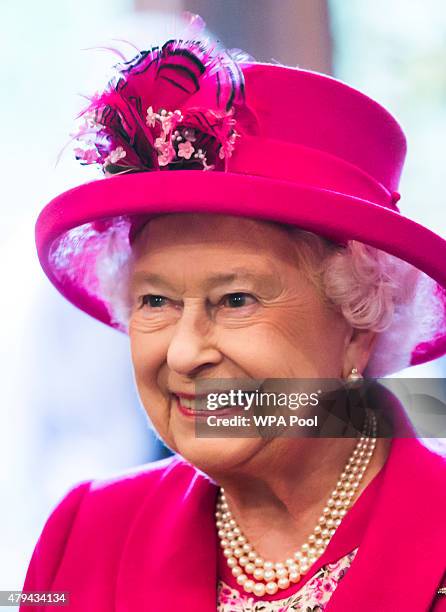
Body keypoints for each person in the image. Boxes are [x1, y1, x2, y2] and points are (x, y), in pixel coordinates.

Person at [20, 15, 446, 611]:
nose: (185, 353)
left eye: (235, 301)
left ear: (358, 323)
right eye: (156, 301)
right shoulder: (84, 533)